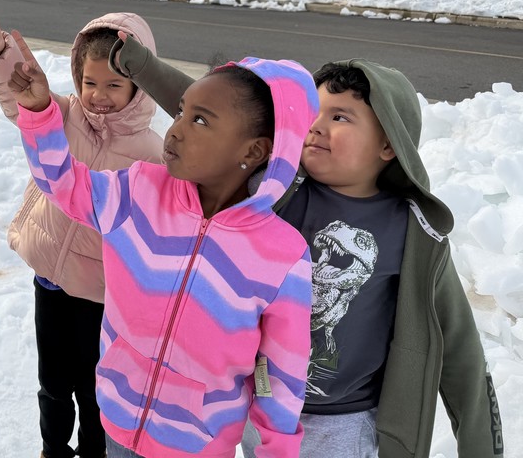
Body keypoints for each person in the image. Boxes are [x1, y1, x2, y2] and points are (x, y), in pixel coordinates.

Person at [109, 36, 504, 458]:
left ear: (389, 144)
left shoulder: (411, 233)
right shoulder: (278, 190)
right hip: (261, 409)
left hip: (343, 425)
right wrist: (144, 67)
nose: (317, 125)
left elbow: (461, 355)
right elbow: (220, 119)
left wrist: (482, 447)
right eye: (314, 114)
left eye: (340, 117)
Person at [3, 30, 319, 458]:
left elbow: (280, 378)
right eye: (182, 112)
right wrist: (40, 111)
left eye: (201, 120)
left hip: (196, 447)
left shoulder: (282, 258)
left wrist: (276, 452)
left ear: (256, 149)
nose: (176, 130)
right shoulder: (140, 191)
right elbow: (65, 185)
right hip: (117, 421)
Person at [0, 10, 164, 458]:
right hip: (50, 280)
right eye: (89, 83)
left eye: (114, 85)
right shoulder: (61, 115)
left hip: (103, 297)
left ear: (139, 86)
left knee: (97, 387)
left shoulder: (152, 154)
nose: (98, 96)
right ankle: (53, 449)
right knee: (54, 381)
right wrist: (0, 57)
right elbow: (21, 100)